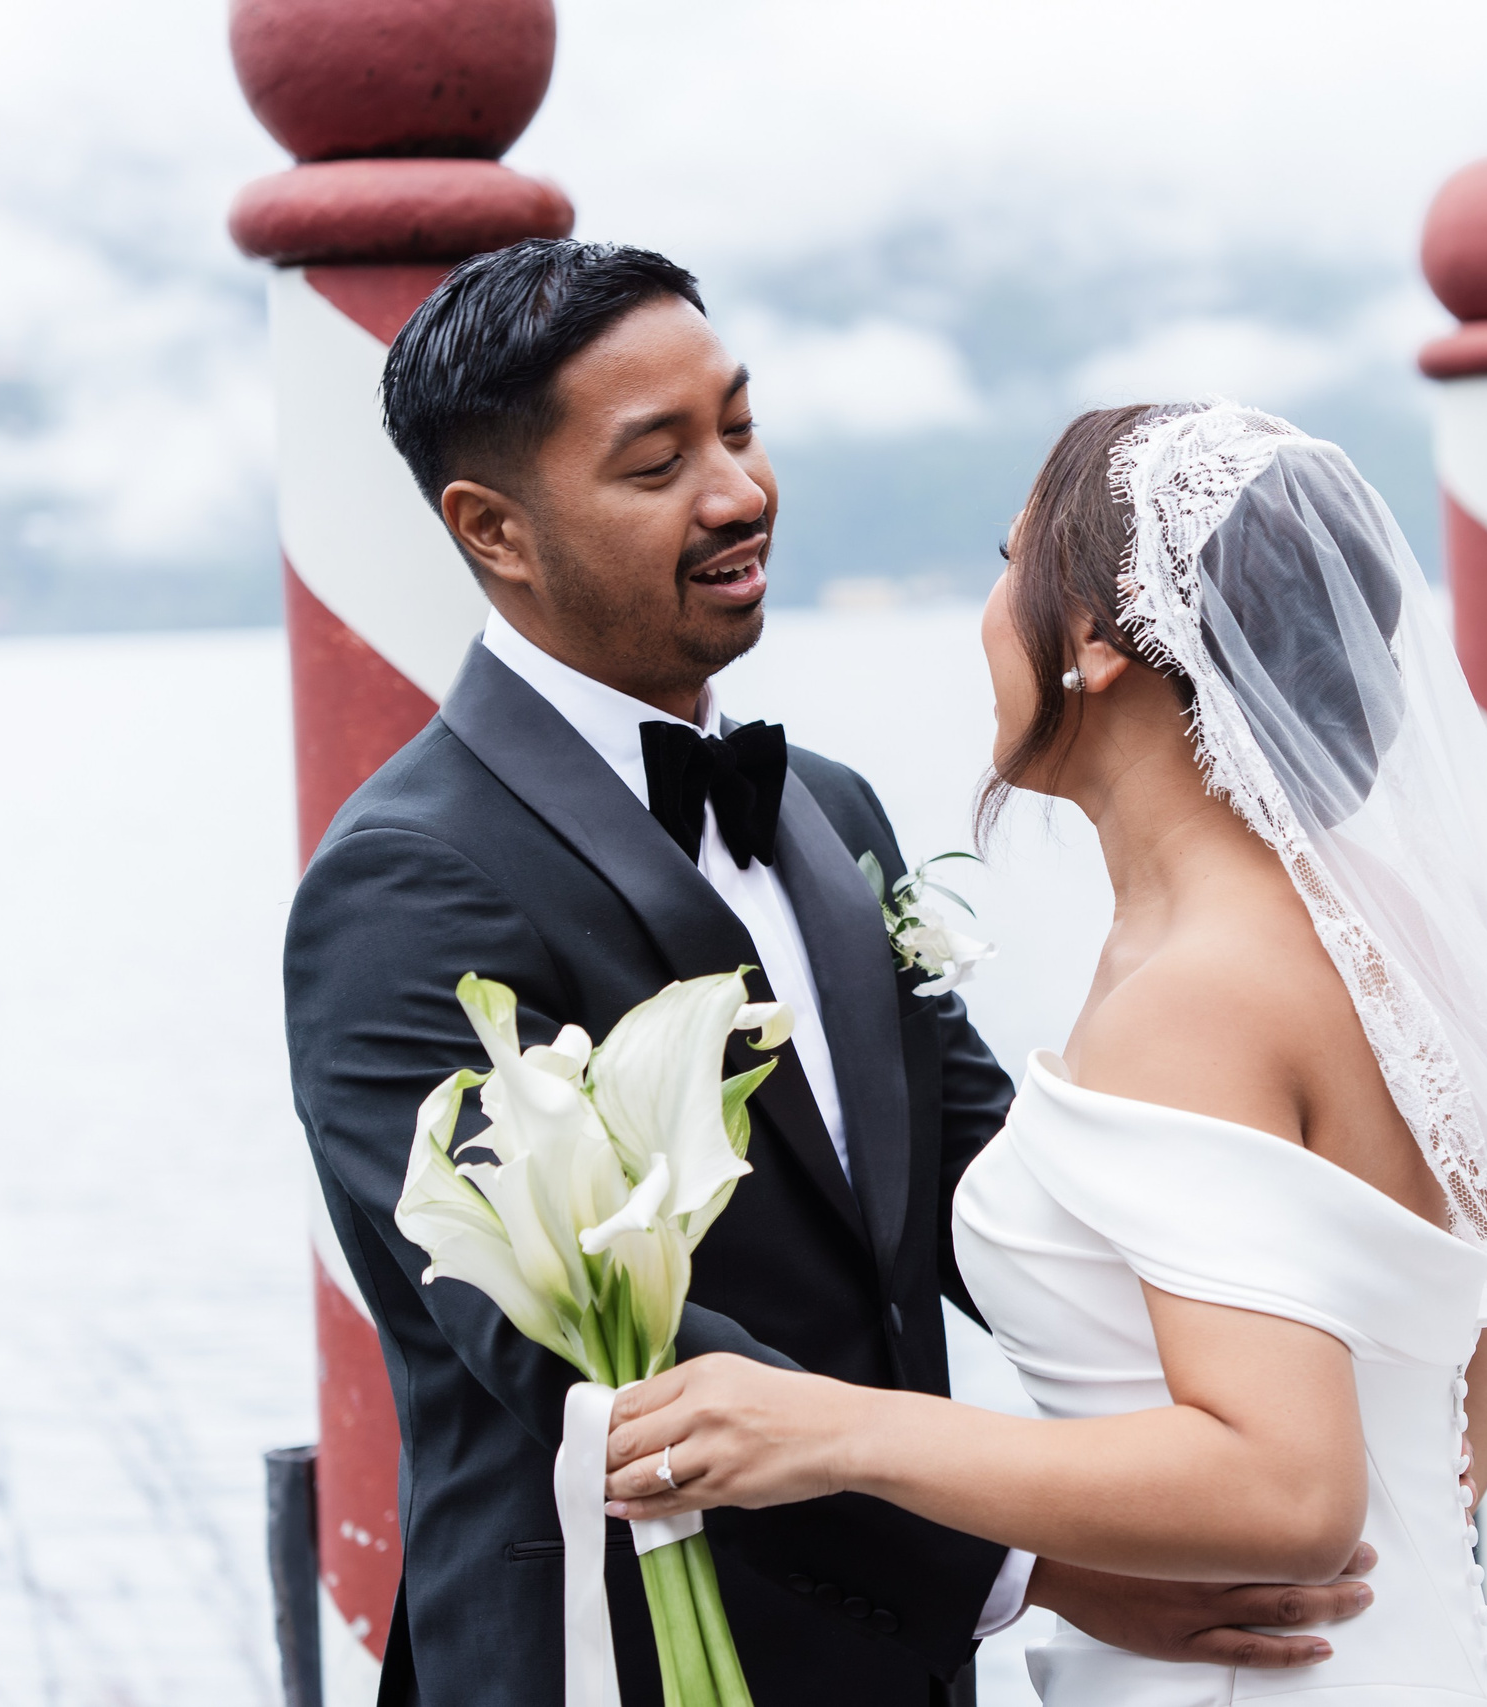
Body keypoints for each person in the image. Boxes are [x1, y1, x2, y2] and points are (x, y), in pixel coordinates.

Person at [601, 402, 1487, 1707]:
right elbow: (1471, 1378)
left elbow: (1288, 1488)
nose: (987, 614)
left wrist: (838, 1432)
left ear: (1101, 639)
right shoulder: (1387, 952)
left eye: (1005, 564)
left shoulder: (1202, 994)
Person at [282, 244, 1369, 1707]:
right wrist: (1030, 1562)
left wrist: (1286, 1328)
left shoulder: (829, 813)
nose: (739, 493)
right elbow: (581, 1348)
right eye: (658, 463)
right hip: (620, 1666)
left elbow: (1001, 1195)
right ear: (496, 529)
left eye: (737, 427)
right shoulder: (404, 885)